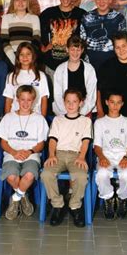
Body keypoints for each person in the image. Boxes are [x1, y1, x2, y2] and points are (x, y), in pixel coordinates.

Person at [0, 85, 48, 220]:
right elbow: (3, 143)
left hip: (31, 155)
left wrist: (30, 151)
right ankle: (23, 196)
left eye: (29, 100)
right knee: (12, 176)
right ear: (17, 100)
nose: (25, 103)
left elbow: (41, 144)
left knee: (29, 175)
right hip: (12, 154)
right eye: (22, 99)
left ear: (34, 100)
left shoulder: (39, 119)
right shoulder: (8, 118)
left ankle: (15, 198)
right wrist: (13, 152)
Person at [41, 89, 92, 227]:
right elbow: (52, 141)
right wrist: (51, 155)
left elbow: (85, 142)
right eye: (68, 101)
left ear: (80, 103)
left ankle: (74, 206)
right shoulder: (58, 120)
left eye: (74, 101)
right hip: (58, 154)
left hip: (76, 155)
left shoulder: (85, 121)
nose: (71, 104)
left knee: (81, 176)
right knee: (46, 174)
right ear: (64, 103)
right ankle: (58, 205)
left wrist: (82, 157)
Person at [94, 90, 127, 220]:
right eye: (112, 102)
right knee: (102, 174)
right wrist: (101, 157)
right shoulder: (100, 122)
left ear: (122, 104)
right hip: (105, 155)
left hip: (123, 155)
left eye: (118, 103)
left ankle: (122, 198)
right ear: (106, 102)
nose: (115, 106)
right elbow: (97, 146)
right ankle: (109, 199)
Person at [40, 0, 86, 76]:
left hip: (73, 63)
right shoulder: (48, 13)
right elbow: (37, 33)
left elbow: (85, 38)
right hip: (52, 64)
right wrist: (43, 48)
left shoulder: (81, 14)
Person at [79, 0, 126, 70]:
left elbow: (123, 42)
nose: (101, 1)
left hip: (113, 63)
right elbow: (82, 42)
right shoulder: (86, 17)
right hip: (90, 64)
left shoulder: (119, 18)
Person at [52, 36, 97, 116]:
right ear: (67, 49)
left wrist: (80, 113)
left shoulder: (89, 69)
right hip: (64, 112)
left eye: (78, 50)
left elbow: (91, 96)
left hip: (84, 112)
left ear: (82, 50)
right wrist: (67, 113)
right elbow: (57, 95)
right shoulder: (60, 69)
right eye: (72, 49)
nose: (75, 53)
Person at [3, 42, 49, 116]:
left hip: (35, 116)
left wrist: (42, 119)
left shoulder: (41, 75)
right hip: (15, 116)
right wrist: (7, 119)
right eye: (22, 54)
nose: (25, 57)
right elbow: (8, 99)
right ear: (18, 57)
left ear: (33, 56)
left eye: (28, 54)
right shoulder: (12, 76)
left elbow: (44, 99)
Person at [0, 0, 41, 65]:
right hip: (11, 58)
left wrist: (28, 58)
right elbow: (4, 41)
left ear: (28, 2)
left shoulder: (34, 18)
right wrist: (14, 59)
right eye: (17, 0)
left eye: (24, 0)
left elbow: (36, 41)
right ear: (13, 2)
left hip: (29, 59)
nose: (20, 3)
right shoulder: (6, 18)